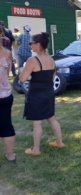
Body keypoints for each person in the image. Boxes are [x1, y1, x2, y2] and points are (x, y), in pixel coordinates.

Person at [20, 32, 65, 156]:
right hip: (49, 93)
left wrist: (21, 71)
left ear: (38, 44)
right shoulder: (51, 59)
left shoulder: (32, 60)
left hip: (36, 95)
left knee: (37, 123)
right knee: (52, 118)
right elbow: (53, 76)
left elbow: (22, 79)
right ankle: (59, 142)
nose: (30, 46)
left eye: (31, 43)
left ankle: (36, 150)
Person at [0, 27, 16, 162]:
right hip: (5, 94)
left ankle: (10, 155)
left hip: (4, 95)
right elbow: (7, 73)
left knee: (6, 125)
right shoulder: (7, 53)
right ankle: (10, 155)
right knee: (6, 124)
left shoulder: (8, 53)